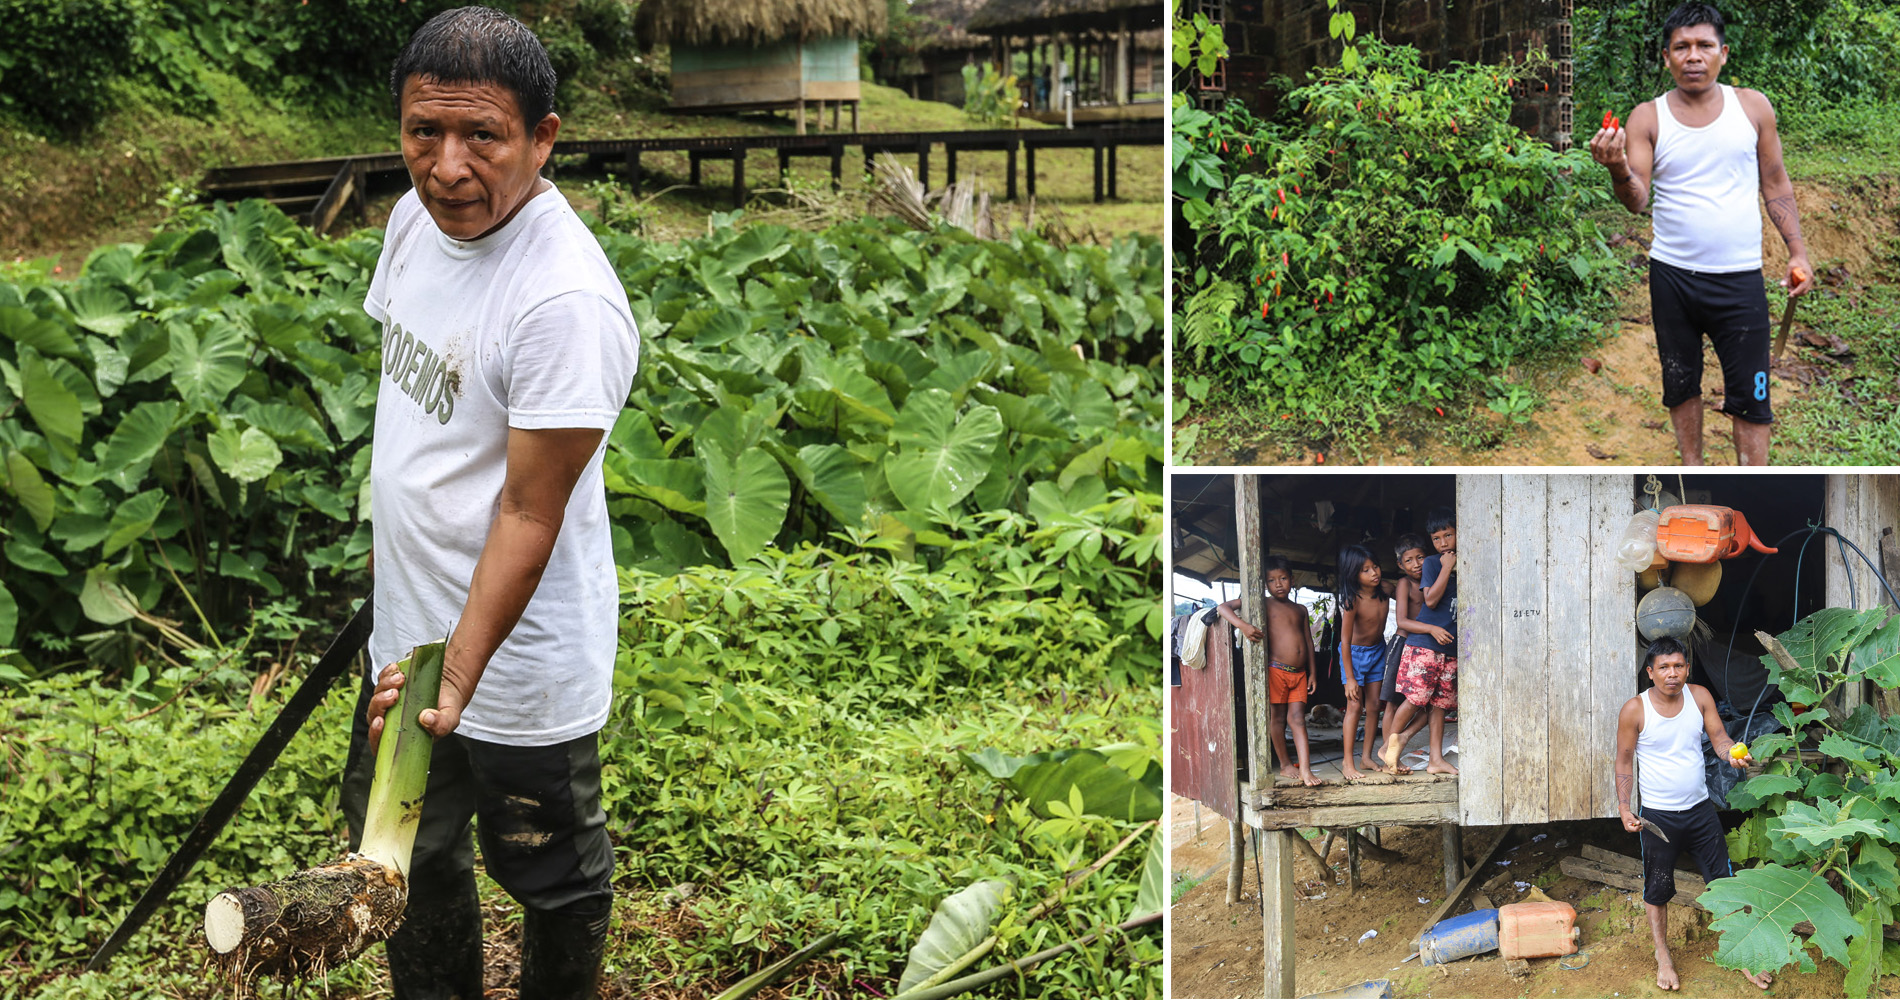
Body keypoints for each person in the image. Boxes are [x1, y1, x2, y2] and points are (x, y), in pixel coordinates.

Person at [340, 7, 640, 998]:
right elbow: (414, 414)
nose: (448, 166)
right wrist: (394, 586)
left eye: (483, 136)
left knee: (552, 874)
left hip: (514, 667)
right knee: (402, 857)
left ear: (543, 137)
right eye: (425, 132)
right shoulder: (410, 227)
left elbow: (527, 512)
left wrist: (457, 680)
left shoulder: (564, 301)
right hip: (408, 643)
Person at [1588, 2, 1813, 466]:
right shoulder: (1647, 118)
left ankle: (1754, 481)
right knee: (1680, 382)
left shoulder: (1752, 107)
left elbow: (1775, 182)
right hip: (1673, 278)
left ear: (1723, 53)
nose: (1694, 56)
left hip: (1741, 281)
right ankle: (1693, 469)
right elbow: (1637, 199)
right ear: (1667, 57)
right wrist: (1617, 169)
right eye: (1682, 47)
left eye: (1704, 46)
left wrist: (1798, 252)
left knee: (1753, 397)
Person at [1615, 637, 1773, 993]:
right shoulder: (1635, 710)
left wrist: (1730, 753)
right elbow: (1624, 761)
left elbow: (1718, 738)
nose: (1673, 674)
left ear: (1687, 668)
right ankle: (1663, 957)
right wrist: (1625, 808)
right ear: (1650, 672)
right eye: (1665, 667)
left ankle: (1742, 956)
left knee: (1723, 882)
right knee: (1657, 889)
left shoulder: (1699, 697)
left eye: (1679, 666)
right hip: (1658, 817)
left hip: (1701, 811)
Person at [1217, 557, 1321, 786]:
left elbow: (1309, 642)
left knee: (1298, 720)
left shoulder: (1301, 609)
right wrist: (1243, 625)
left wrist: (1313, 672)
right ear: (1265, 584)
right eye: (1272, 580)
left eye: (1283, 578)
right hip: (1276, 670)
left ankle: (1305, 769)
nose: (1279, 584)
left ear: (1292, 580)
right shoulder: (1263, 603)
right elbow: (1222, 607)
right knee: (1278, 719)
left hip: (1300, 673)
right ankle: (1284, 764)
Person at [1381, 509, 1458, 776]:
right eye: (1436, 539)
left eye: (1448, 535)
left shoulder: (1463, 563)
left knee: (1439, 706)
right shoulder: (1434, 564)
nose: (1443, 543)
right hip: (1425, 645)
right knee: (1414, 699)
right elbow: (1431, 600)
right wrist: (1446, 567)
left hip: (1450, 648)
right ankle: (1387, 746)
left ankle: (1436, 759)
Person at [1375, 534, 1435, 774]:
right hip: (1403, 644)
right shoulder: (1404, 584)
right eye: (1409, 560)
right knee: (1392, 701)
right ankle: (1388, 754)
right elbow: (1402, 620)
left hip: (1426, 648)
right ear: (1400, 564)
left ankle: (1397, 745)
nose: (1416, 564)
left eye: (1420, 557)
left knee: (1429, 704)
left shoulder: (1433, 581)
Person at [1335, 544, 1387, 781]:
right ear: (1352, 574)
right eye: (1365, 570)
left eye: (1375, 566)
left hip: (1378, 651)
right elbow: (1344, 641)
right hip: (1353, 655)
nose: (1374, 572)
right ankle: (1348, 762)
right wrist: (1350, 679)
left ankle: (1366, 757)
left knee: (1374, 705)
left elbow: (1413, 591)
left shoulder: (1385, 590)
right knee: (1355, 706)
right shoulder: (1351, 601)